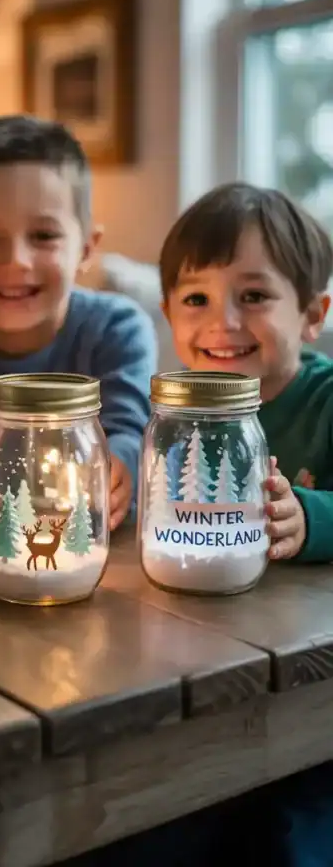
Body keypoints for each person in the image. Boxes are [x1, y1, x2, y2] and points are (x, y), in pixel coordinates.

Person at [159, 181, 333, 864]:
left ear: (312, 313)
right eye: (196, 299)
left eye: (253, 297)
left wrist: (309, 518)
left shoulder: (323, 401)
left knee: (289, 839)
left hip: (313, 687)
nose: (222, 324)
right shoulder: (179, 410)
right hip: (206, 661)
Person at [0, 114, 157, 529]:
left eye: (43, 236)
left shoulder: (118, 329)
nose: (15, 260)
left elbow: (128, 429)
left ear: (87, 247)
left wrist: (119, 464)